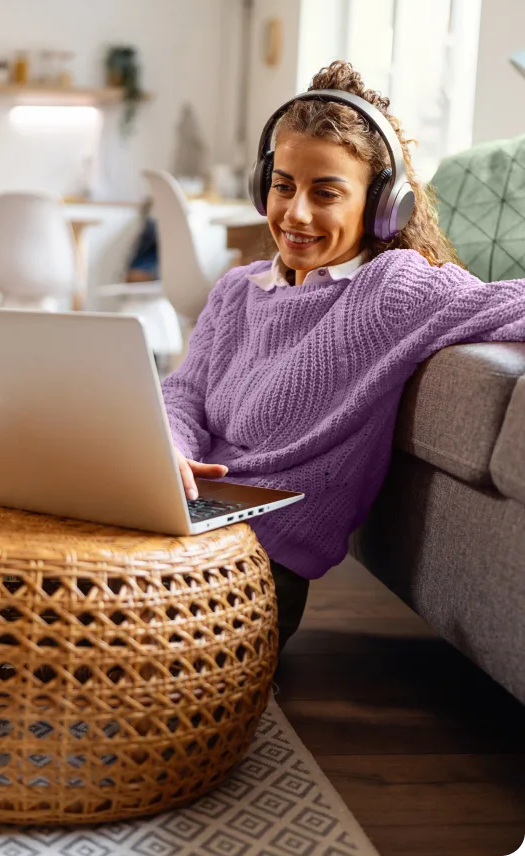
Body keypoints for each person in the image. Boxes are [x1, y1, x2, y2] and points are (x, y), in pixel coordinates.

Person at [161, 60, 525, 653]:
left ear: (385, 205)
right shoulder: (238, 290)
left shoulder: (393, 290)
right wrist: (170, 448)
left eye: (326, 192)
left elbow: (509, 303)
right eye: (283, 186)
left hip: (253, 569)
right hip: (181, 520)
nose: (296, 213)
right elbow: (183, 393)